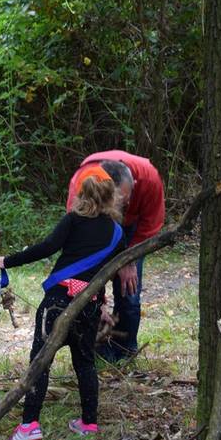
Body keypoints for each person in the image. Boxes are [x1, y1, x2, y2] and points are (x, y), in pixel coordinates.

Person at [0, 167, 124, 440]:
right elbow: (107, 271)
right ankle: (88, 422)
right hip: (88, 305)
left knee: (40, 362)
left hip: (58, 302)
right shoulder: (117, 233)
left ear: (82, 194)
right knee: (85, 363)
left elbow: (47, 247)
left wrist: (9, 260)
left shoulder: (73, 221)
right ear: (111, 197)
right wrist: (101, 302)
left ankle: (29, 425)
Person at [65, 151, 165, 362]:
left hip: (133, 231)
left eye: (124, 201)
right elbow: (79, 245)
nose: (119, 206)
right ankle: (97, 350)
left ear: (134, 185)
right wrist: (95, 300)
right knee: (89, 293)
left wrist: (128, 260)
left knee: (129, 290)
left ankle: (125, 351)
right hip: (94, 226)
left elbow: (150, 226)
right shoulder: (83, 185)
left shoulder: (149, 179)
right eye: (115, 202)